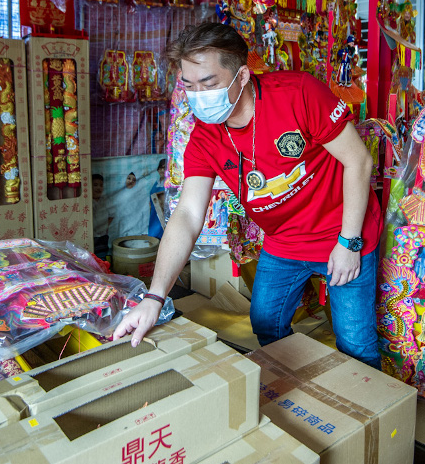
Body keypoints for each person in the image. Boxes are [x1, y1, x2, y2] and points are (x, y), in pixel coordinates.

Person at [113, 22, 383, 368]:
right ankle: (301, 392)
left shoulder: (299, 92)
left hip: (343, 229)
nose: (198, 96)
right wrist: (154, 296)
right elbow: (188, 215)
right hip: (284, 240)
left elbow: (358, 160)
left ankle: (372, 411)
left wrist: (349, 242)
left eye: (208, 83)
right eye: (189, 86)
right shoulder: (203, 138)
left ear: (241, 76)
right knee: (265, 323)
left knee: (356, 342)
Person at [91, 174, 112, 259]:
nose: (98, 188)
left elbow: (112, 215)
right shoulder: (88, 201)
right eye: (95, 185)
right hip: (92, 235)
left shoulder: (105, 201)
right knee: (93, 255)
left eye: (101, 185)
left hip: (103, 235)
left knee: (103, 256)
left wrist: (105, 226)